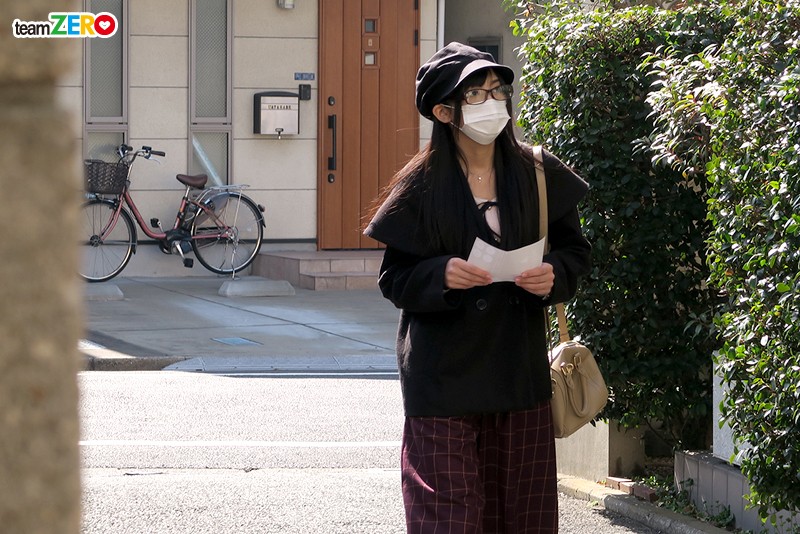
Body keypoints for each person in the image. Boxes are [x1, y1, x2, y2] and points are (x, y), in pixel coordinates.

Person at [364, 42, 592, 533]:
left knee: (523, 517)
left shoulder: (536, 171)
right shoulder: (422, 184)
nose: (493, 103)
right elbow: (394, 277)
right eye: (475, 94)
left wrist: (553, 274)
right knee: (449, 518)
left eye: (497, 90)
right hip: (442, 380)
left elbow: (576, 252)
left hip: (518, 373)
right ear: (444, 112)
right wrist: (440, 274)